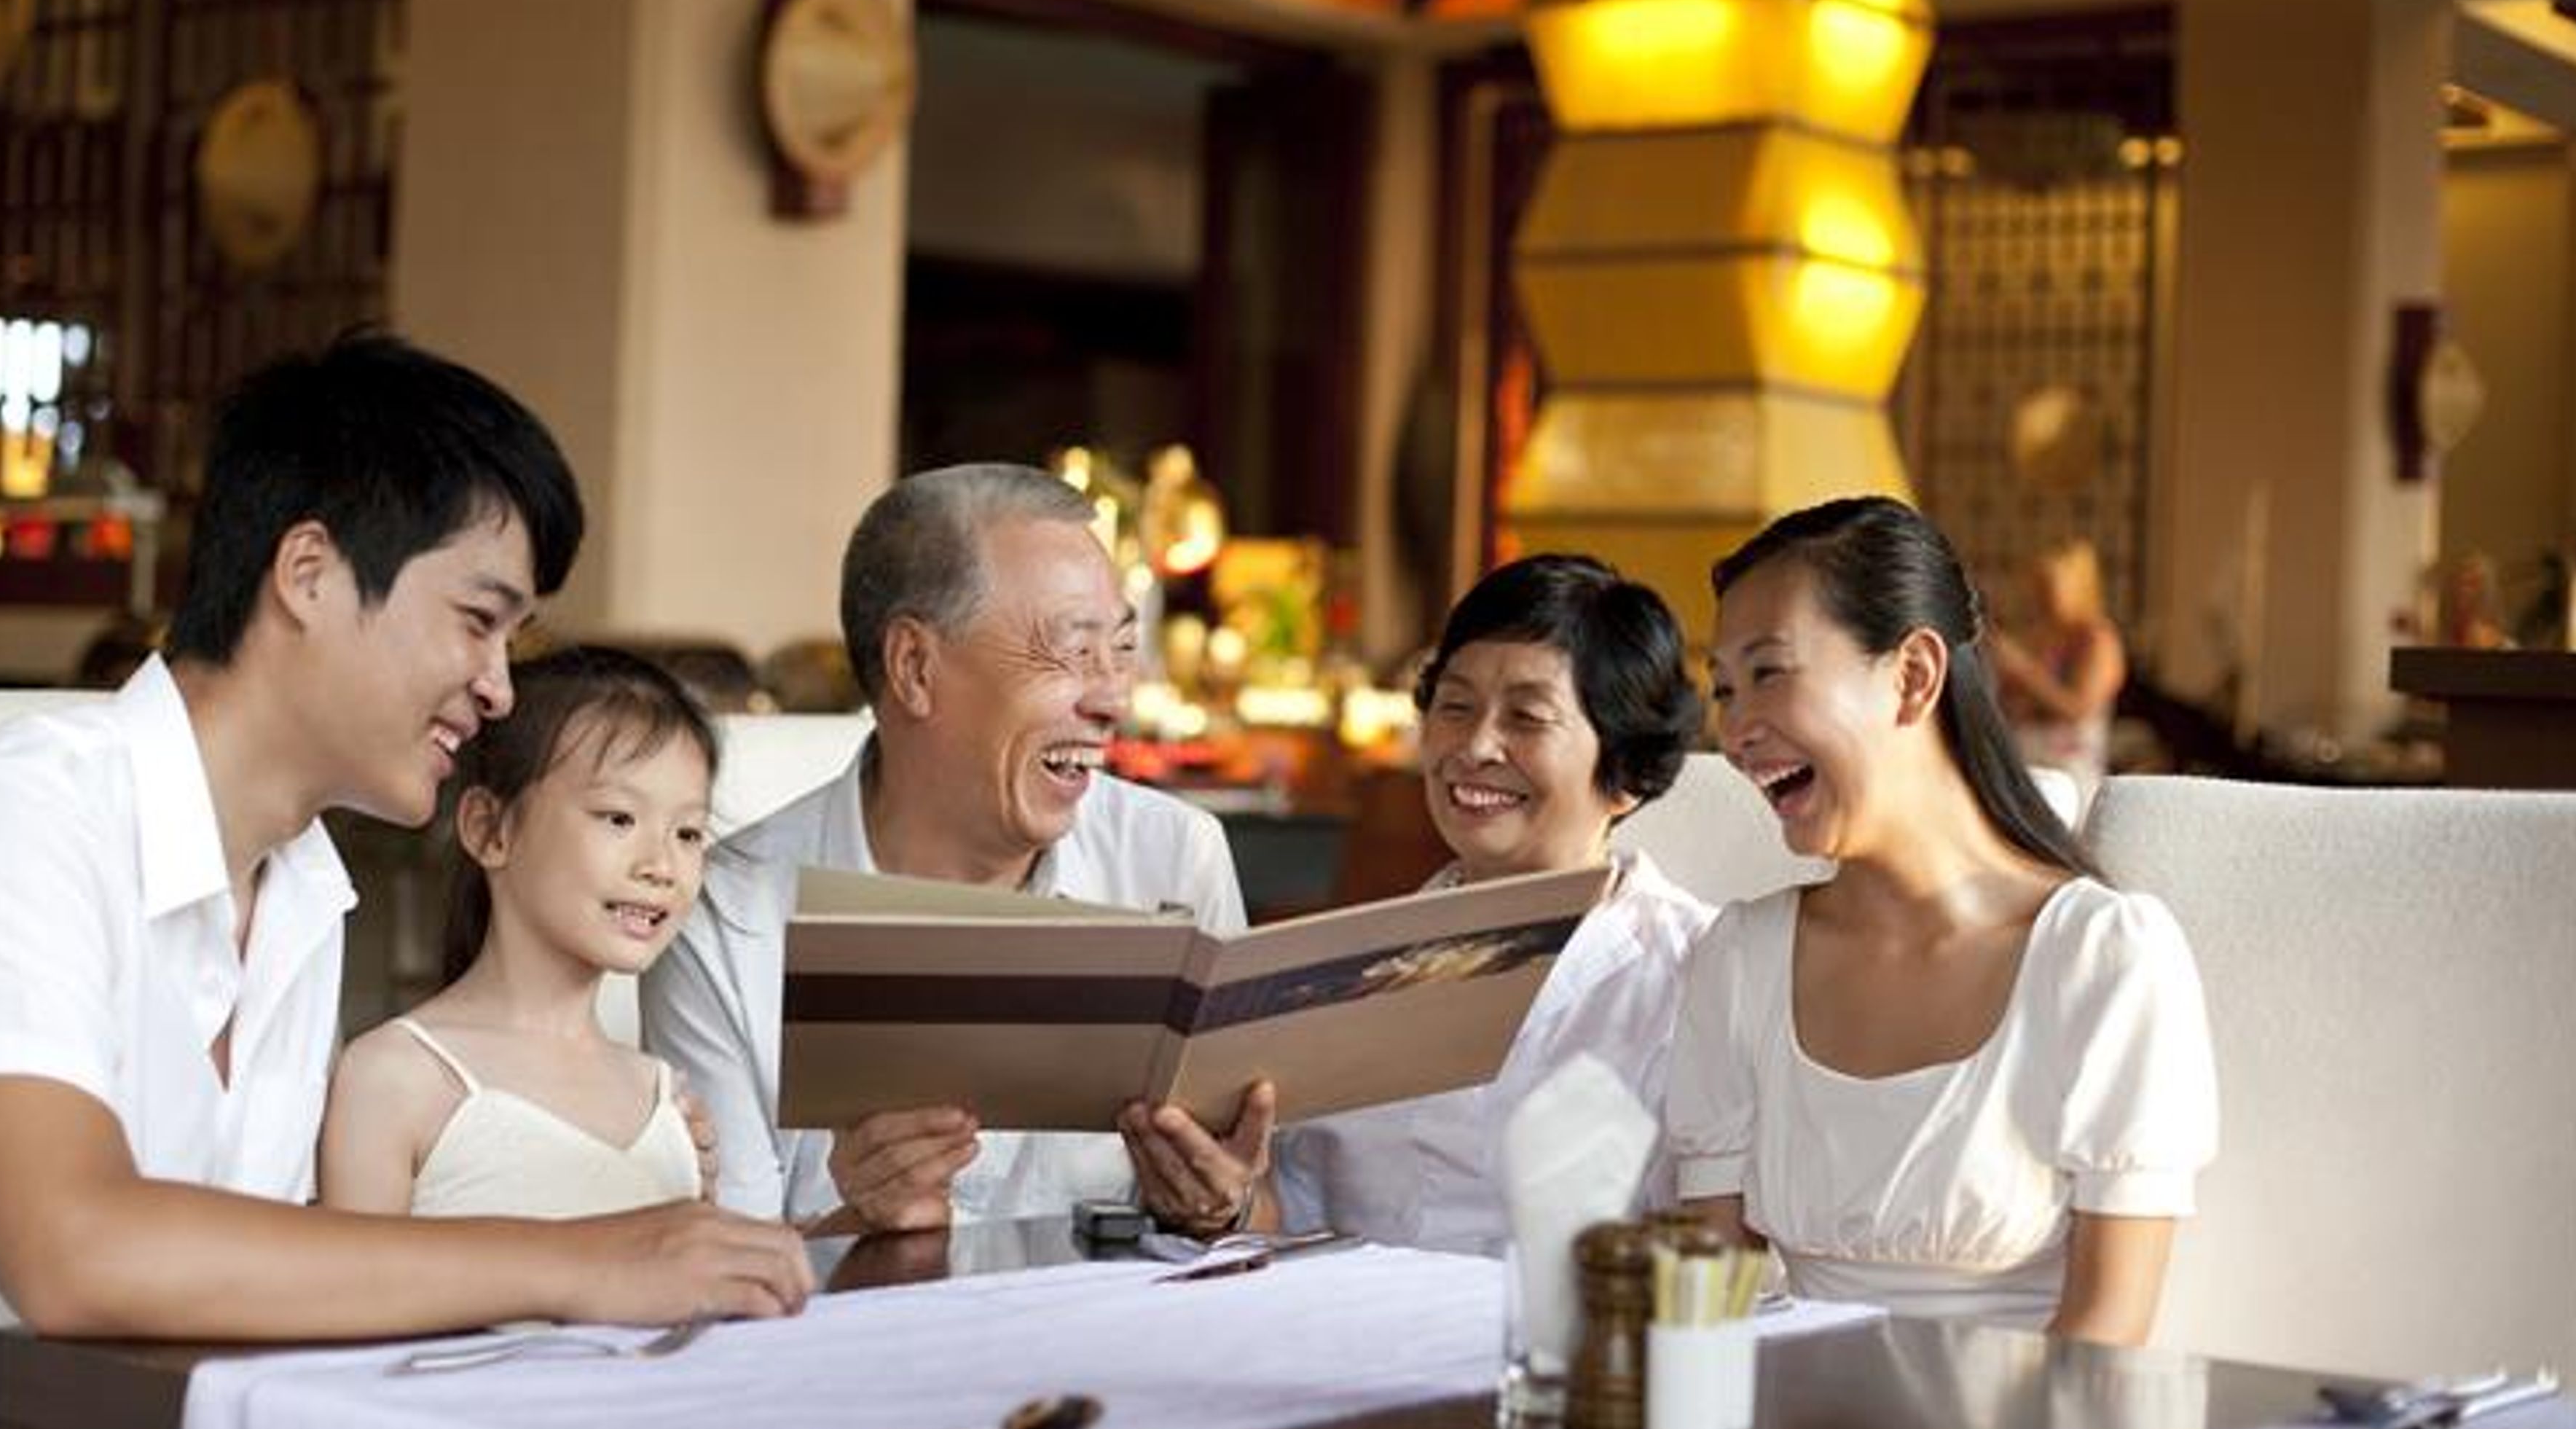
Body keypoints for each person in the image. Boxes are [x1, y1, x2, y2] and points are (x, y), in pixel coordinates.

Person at [0, 334, 809, 1429]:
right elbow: (77, 1250)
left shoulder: (301, 895)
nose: (497, 690)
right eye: (478, 623)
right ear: (312, 573)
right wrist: (582, 1261)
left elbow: (267, 1287)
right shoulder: (14, 820)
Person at [643, 462, 1259, 1235]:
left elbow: (1267, 1211)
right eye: (1073, 651)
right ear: (915, 669)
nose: (1112, 699)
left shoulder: (1173, 859)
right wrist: (858, 1224)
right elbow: (717, 1281)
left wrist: (1218, 1207)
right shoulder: (725, 920)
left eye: (1123, 649)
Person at [1665, 497, 2215, 1344]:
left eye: (1769, 673)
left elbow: (2108, 1327)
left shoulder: (2102, 956)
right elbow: (1710, 1312)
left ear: (1914, 676)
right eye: (1724, 690)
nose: (1735, 731)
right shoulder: (1739, 960)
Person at [1265, 555, 1715, 1253]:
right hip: (1346, 1348)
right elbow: (1286, 1218)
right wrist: (1226, 1199)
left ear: (1626, 770)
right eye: (1455, 706)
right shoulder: (1345, 969)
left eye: (1528, 718)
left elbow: (1708, 1259)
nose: (1474, 747)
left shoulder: (1702, 977)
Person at [318, 647, 717, 1218]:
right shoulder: (394, 1077)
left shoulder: (664, 1096)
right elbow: (346, 1298)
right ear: (490, 830)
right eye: (619, 819)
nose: (661, 866)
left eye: (688, 834)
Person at [1990, 539, 2125, 795]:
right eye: (2038, 588)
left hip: (2072, 776)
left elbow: (2077, 707)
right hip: (2028, 768)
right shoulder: (2044, 635)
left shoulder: (2099, 640)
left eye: (2048, 589)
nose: (2039, 599)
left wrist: (2022, 670)